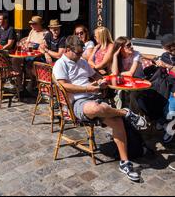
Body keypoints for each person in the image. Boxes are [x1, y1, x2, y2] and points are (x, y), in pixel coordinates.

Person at [53, 36, 147, 182]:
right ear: (67, 50)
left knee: (117, 121)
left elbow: (95, 75)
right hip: (78, 102)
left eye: (81, 53)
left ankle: (125, 162)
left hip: (94, 97)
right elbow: (64, 86)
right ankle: (126, 113)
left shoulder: (82, 61)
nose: (80, 56)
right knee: (97, 108)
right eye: (77, 53)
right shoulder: (61, 64)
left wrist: (100, 81)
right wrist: (87, 88)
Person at [111, 37, 144, 109]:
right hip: (125, 82)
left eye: (131, 44)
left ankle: (132, 115)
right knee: (118, 93)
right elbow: (114, 72)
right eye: (128, 45)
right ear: (121, 48)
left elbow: (131, 73)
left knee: (132, 94)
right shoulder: (118, 57)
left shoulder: (136, 54)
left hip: (138, 81)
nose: (131, 46)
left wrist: (119, 73)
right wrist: (115, 56)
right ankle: (119, 113)